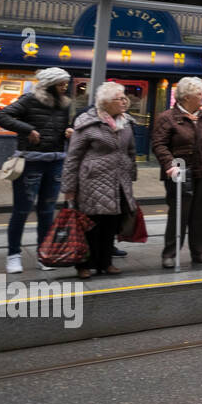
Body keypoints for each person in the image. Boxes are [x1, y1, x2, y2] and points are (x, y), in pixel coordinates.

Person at [0, 67, 74, 274]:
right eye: (61, 84)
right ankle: (13, 255)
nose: (65, 87)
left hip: (55, 161)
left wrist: (68, 131)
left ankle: (43, 254)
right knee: (21, 211)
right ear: (49, 85)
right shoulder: (29, 99)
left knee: (47, 211)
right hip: (30, 162)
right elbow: (0, 116)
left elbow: (62, 127)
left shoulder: (64, 104)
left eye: (66, 83)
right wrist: (27, 129)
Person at [61, 82, 137, 279]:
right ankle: (84, 265)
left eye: (124, 98)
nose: (124, 102)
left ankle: (106, 263)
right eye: (119, 98)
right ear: (105, 102)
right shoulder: (87, 122)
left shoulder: (126, 122)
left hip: (119, 181)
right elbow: (73, 157)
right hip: (93, 181)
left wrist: (131, 174)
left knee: (111, 225)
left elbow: (131, 151)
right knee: (90, 226)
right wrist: (69, 188)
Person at [151, 76, 202, 268]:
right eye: (199, 94)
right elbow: (159, 145)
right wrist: (169, 164)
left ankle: (200, 251)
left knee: (200, 214)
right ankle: (170, 253)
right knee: (178, 213)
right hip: (179, 172)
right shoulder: (167, 118)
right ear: (186, 97)